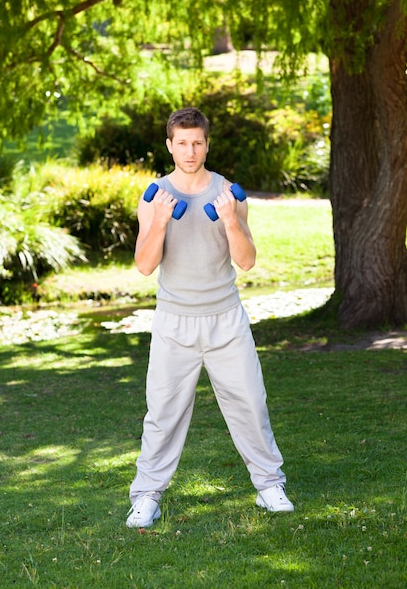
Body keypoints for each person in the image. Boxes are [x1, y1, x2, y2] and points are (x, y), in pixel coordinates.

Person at [126, 107, 293, 528]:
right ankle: (146, 496)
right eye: (181, 142)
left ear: (206, 143)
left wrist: (231, 223)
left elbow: (248, 261)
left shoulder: (229, 193)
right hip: (174, 321)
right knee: (162, 413)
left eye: (197, 142)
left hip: (225, 318)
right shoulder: (154, 197)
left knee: (251, 404)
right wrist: (161, 221)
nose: (190, 150)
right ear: (169, 145)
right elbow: (144, 266)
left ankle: (269, 485)